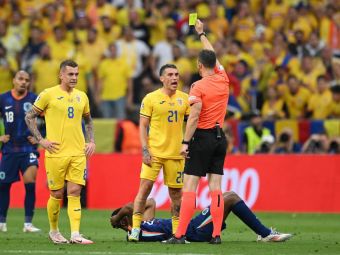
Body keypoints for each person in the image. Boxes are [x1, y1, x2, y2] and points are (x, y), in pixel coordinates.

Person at [164, 19, 230, 245]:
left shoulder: (198, 87)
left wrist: (185, 142)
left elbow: (194, 116)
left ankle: (180, 234)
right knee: (216, 187)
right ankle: (216, 235)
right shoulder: (223, 78)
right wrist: (202, 33)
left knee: (190, 186)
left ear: (199, 66)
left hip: (202, 137)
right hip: (221, 138)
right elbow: (211, 54)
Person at [25, 60, 96, 244]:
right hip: (56, 152)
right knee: (57, 194)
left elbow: (88, 120)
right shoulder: (48, 94)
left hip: (78, 153)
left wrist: (91, 141)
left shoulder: (83, 96)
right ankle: (54, 231)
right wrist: (41, 140)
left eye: (76, 74)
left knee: (74, 192)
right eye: (70, 74)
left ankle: (75, 234)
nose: (74, 78)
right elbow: (29, 116)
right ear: (61, 75)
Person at [128, 63, 190, 241]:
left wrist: (188, 144)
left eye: (177, 74)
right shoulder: (150, 98)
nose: (174, 78)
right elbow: (143, 126)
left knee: (176, 194)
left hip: (176, 155)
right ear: (161, 78)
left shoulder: (185, 99)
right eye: (170, 75)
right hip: (154, 153)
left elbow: (192, 124)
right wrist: (145, 149)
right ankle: (136, 229)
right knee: (144, 190)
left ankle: (177, 233)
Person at [110, 192, 292, 243]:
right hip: (194, 231)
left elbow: (149, 201)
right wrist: (116, 218)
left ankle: (263, 233)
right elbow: (128, 208)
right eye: (126, 216)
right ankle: (265, 234)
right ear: (124, 221)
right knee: (230, 198)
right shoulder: (135, 234)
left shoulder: (142, 224)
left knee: (227, 199)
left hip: (191, 226)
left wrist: (121, 217)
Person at [0, 70, 41, 233]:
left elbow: (50, 119)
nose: (23, 82)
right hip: (9, 149)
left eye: (27, 80)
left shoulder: (34, 99)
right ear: (14, 80)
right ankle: (1, 221)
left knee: (30, 184)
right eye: (20, 79)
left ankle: (28, 224)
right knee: (3, 186)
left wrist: (40, 137)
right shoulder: (3, 98)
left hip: (27, 148)